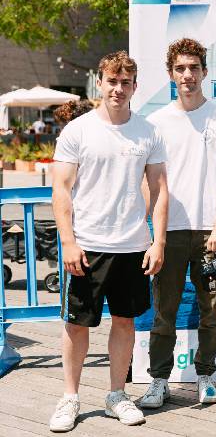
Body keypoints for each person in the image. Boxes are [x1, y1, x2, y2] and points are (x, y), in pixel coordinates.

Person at [49, 51, 168, 432]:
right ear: (99, 82)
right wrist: (68, 242)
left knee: (125, 322)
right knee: (77, 325)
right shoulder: (78, 130)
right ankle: (70, 397)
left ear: (135, 87)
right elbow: (61, 190)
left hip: (132, 246)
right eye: (112, 81)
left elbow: (159, 189)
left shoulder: (148, 131)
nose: (118, 89)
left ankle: (117, 394)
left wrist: (157, 241)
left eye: (125, 83)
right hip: (87, 246)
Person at [138, 38, 216, 409]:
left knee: (212, 311)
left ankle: (205, 376)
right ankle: (159, 381)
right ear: (171, 74)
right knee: (164, 312)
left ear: (204, 71)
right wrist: (145, 228)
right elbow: (148, 182)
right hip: (167, 233)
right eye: (180, 68)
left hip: (211, 234)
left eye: (193, 68)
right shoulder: (155, 123)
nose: (187, 75)